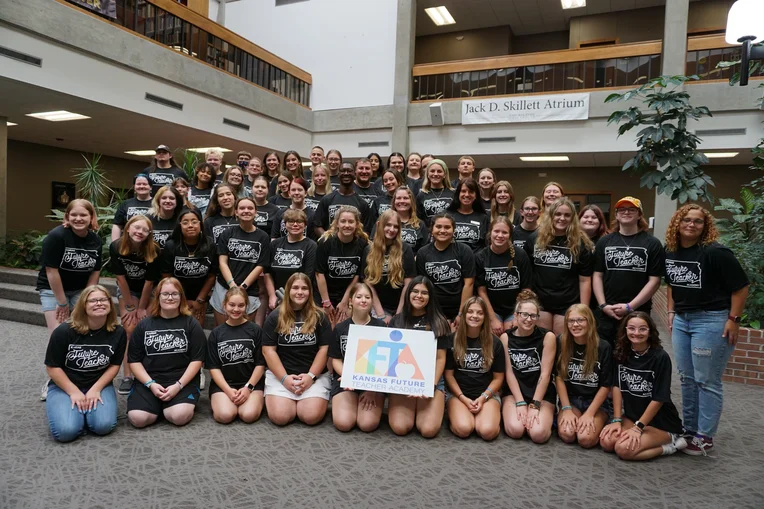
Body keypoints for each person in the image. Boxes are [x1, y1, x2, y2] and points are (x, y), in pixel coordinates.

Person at [664, 204, 750, 455]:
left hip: (711, 321)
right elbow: (671, 282)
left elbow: (741, 287)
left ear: (705, 226)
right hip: (682, 320)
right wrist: (671, 312)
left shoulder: (715, 252)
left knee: (706, 380)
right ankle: (689, 429)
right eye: (686, 220)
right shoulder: (671, 250)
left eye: (698, 221)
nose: (691, 225)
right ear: (677, 224)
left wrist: (733, 319)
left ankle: (705, 436)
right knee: (687, 378)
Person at [36, 199, 103, 405]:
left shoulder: (95, 240)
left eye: (83, 215)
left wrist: (88, 297)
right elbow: (51, 271)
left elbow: (95, 271)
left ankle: (79, 376)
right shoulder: (57, 237)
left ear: (91, 218)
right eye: (73, 214)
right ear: (67, 217)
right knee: (59, 334)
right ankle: (54, 381)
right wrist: (62, 303)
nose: (78, 218)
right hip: (53, 289)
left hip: (80, 289)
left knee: (80, 331)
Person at [599, 312, 687, 460]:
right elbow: (617, 387)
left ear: (650, 331)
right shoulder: (621, 353)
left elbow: (659, 397)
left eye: (642, 329)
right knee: (607, 442)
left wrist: (638, 427)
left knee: (623, 450)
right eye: (632, 328)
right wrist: (617, 419)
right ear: (625, 330)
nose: (636, 333)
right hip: (633, 416)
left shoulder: (660, 357)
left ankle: (671, 445)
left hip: (661, 423)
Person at [44, 285, 125, 442]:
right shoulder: (64, 331)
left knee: (103, 426)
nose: (99, 303)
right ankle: (68, 409)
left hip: (98, 384)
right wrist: (74, 392)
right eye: (93, 300)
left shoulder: (118, 332)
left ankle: (83, 412)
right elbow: (53, 367)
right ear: (83, 305)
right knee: (66, 432)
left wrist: (96, 389)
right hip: (65, 385)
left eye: (103, 299)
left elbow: (114, 365)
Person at [126, 277, 206, 428]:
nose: (170, 298)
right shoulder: (144, 325)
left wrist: (178, 386)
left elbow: (197, 360)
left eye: (175, 294)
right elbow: (134, 360)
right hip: (150, 379)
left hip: (181, 380)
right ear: (158, 297)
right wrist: (150, 384)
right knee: (138, 419)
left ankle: (170, 406)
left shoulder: (191, 324)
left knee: (179, 416)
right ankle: (155, 405)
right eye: (165, 294)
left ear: (181, 297)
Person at [262, 273, 333, 425]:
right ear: (288, 290)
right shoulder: (274, 317)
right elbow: (268, 351)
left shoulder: (320, 316)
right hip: (282, 375)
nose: (300, 292)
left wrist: (311, 376)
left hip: (314, 376)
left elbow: (324, 349)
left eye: (304, 288)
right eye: (295, 288)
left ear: (310, 292)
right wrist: (284, 379)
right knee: (280, 417)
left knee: (310, 416)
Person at [593, 196, 663, 348]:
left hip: (638, 312)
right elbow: (597, 275)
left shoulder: (652, 243)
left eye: (632, 209)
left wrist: (630, 307)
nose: (626, 212)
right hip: (607, 312)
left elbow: (655, 280)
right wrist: (603, 305)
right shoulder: (604, 242)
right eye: (622, 210)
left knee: (634, 352)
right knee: (605, 353)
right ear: (616, 215)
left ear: (639, 215)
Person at [388, 277, 452, 438]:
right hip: (403, 380)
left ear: (430, 297)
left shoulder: (439, 322)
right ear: (408, 294)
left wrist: (430, 385)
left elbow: (440, 359)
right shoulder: (397, 321)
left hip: (431, 381)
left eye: (424, 293)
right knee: (400, 427)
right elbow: (392, 356)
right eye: (415, 291)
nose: (419, 296)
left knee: (428, 430)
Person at [524, 197, 593, 335]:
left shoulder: (581, 244)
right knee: (542, 342)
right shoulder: (534, 239)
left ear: (573, 218)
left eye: (567, 215)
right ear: (551, 216)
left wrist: (583, 310)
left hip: (567, 303)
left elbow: (584, 280)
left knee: (561, 344)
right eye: (558, 214)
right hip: (540, 302)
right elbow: (528, 273)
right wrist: (528, 303)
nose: (562, 218)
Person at [109, 215, 160, 394]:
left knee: (148, 325)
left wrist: (141, 308)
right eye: (137, 228)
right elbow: (120, 279)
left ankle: (148, 371)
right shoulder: (116, 247)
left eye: (145, 230)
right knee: (129, 329)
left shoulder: (153, 250)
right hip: (127, 290)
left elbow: (149, 282)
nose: (140, 232)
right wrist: (131, 306)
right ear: (128, 228)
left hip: (148, 291)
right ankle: (128, 375)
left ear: (149, 233)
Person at [328, 283, 387, 432]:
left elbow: (385, 363)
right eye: (359, 297)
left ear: (372, 302)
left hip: (373, 382)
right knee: (344, 423)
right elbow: (335, 359)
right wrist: (348, 377)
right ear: (350, 301)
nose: (363, 300)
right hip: (345, 379)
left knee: (367, 424)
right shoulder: (341, 328)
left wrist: (371, 388)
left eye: (367, 297)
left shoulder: (381, 327)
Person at [500, 290, 556, 443]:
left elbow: (545, 374)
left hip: (541, 393)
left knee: (538, 435)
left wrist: (535, 405)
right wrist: (520, 402)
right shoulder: (505, 338)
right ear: (516, 315)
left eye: (533, 316)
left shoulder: (547, 337)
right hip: (515, 392)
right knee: (515, 430)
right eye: (524, 314)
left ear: (538, 318)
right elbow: (509, 373)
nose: (528, 319)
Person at [445, 296, 504, 441]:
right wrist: (463, 399)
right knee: (464, 429)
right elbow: (449, 375)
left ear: (485, 317)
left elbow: (498, 378)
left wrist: (483, 398)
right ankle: (456, 417)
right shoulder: (452, 339)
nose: (474, 316)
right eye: (470, 312)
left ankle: (488, 417)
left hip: (487, 395)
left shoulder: (495, 342)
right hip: (459, 395)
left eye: (480, 313)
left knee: (487, 431)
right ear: (464, 315)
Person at [555, 304, 613, 448]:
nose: (575, 324)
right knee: (568, 434)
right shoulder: (561, 342)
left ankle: (601, 422)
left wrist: (590, 413)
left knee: (585, 439)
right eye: (571, 321)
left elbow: (606, 386)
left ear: (589, 322)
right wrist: (567, 408)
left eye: (580, 320)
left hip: (595, 402)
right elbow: (559, 377)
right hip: (571, 400)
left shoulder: (603, 347)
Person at [207, 287, 266, 424]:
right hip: (224, 385)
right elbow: (213, 367)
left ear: (246, 307)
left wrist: (248, 388)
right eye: (232, 305)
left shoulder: (256, 330)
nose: (236, 309)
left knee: (248, 415)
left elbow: (260, 364)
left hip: (251, 383)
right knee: (225, 415)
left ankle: (252, 400)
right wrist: (228, 391)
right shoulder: (216, 333)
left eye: (241, 305)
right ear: (225, 305)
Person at [212, 197, 271, 326]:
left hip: (249, 290)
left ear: (256, 212)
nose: (246, 211)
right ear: (236, 212)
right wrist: (232, 285)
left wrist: (243, 287)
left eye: (250, 208)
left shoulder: (263, 237)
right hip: (224, 286)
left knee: (244, 331)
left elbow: (260, 265)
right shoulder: (227, 233)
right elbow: (222, 262)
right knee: (222, 329)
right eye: (242, 208)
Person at [160, 208, 218, 326]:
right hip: (175, 295)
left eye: (194, 221)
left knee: (196, 328)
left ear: (200, 224)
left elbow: (212, 276)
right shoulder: (171, 245)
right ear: (179, 226)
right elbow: (167, 276)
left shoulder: (210, 244)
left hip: (199, 297)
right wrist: (181, 299)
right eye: (185, 222)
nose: (190, 225)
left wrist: (200, 300)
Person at [476, 216, 532, 336]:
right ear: (490, 232)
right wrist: (493, 319)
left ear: (510, 235)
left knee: (512, 333)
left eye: (504, 232)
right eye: (496, 231)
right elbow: (481, 291)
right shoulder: (481, 256)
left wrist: (519, 315)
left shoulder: (520, 255)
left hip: (515, 309)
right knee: (493, 334)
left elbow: (526, 289)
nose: (500, 235)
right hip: (492, 309)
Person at [416, 212, 475, 324]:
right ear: (431, 230)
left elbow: (469, 283)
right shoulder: (423, 253)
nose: (442, 230)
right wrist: (434, 314)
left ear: (453, 230)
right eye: (438, 226)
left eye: (447, 227)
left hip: (458, 308)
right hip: (433, 308)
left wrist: (461, 314)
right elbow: (423, 285)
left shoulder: (464, 250)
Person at [316, 206, 369, 327]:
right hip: (324, 294)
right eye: (343, 221)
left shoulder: (362, 243)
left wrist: (345, 301)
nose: (347, 225)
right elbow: (319, 274)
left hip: (348, 293)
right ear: (337, 223)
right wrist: (326, 303)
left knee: (343, 326)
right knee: (328, 327)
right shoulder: (325, 242)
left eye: (351, 221)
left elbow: (357, 276)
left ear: (357, 224)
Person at [362, 209, 416, 322]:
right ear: (379, 225)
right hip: (377, 307)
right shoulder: (368, 250)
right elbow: (369, 284)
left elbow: (408, 285)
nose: (392, 230)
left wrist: (399, 315)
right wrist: (381, 314)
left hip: (401, 306)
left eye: (396, 226)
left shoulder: (405, 249)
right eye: (388, 225)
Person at [265, 209, 318, 310]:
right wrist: (272, 295)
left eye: (299, 222)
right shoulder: (274, 244)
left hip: (300, 297)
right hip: (277, 297)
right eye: (291, 221)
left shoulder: (311, 246)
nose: (295, 225)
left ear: (305, 225)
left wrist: (290, 298)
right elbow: (268, 273)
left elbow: (308, 275)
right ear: (285, 224)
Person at [312, 162, 374, 237]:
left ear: (354, 174)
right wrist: (329, 241)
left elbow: (366, 230)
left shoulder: (362, 203)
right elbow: (317, 226)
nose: (346, 173)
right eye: (343, 171)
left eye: (349, 171)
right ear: (338, 174)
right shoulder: (327, 200)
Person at [446, 178, 490, 252]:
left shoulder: (483, 218)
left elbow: (485, 245)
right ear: (458, 194)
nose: (467, 195)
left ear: (476, 195)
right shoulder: (447, 216)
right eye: (463, 191)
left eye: (471, 192)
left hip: (475, 261)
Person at [112, 174, 153, 240]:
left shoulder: (157, 203)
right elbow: (117, 224)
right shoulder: (125, 204)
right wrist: (114, 244)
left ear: (150, 187)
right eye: (138, 184)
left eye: (145, 184)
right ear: (134, 187)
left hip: (150, 242)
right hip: (127, 243)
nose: (141, 186)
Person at [416, 159, 455, 226]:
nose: (436, 174)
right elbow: (419, 220)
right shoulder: (421, 195)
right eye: (432, 171)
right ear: (428, 174)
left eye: (439, 171)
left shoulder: (453, 193)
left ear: (444, 174)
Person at [393, 186, 430, 253]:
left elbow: (425, 250)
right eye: (398, 198)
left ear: (411, 201)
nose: (402, 201)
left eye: (405, 198)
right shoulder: (385, 221)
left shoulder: (420, 224)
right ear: (394, 201)